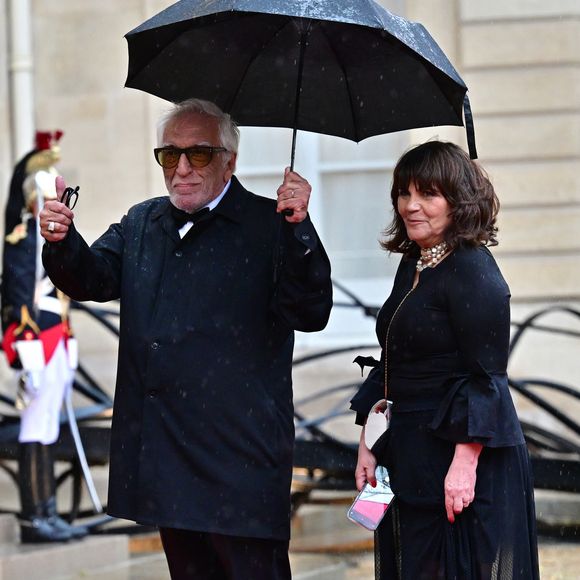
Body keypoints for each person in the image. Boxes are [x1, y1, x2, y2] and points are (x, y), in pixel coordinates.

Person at [39, 98, 332, 579]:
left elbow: (311, 311)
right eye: (168, 156)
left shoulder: (270, 224)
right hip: (168, 455)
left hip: (240, 461)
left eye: (197, 155)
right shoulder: (142, 223)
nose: (181, 170)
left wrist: (299, 230)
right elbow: (91, 278)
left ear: (229, 162)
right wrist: (62, 241)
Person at [350, 141, 539, 579]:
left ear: (458, 202)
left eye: (428, 195)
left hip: (463, 463)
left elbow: (487, 378)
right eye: (404, 193)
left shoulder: (474, 271)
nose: (411, 206)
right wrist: (369, 442)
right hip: (413, 455)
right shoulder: (415, 263)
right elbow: (395, 360)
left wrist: (464, 464)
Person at [1, 130, 87, 543]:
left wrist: (67, 340)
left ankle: (48, 511)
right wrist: (22, 349)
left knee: (49, 427)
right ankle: (34, 515)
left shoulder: (51, 235)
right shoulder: (22, 238)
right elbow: (17, 294)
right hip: (36, 340)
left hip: (56, 337)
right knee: (35, 427)